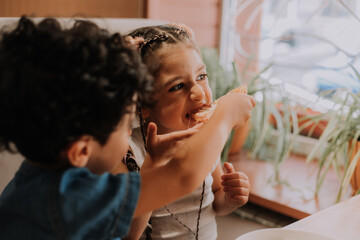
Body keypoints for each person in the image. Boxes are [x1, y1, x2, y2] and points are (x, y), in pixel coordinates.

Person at [0, 17, 255, 240]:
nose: (131, 131)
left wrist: (153, 163)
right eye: (125, 126)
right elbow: (182, 175)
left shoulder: (37, 180)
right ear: (81, 151)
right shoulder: (74, 200)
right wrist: (224, 116)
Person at [117, 24, 254, 240]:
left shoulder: (205, 138)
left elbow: (216, 197)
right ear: (143, 104)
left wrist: (230, 199)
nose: (198, 93)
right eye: (177, 86)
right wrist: (152, 167)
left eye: (201, 76)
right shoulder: (128, 151)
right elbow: (127, 235)